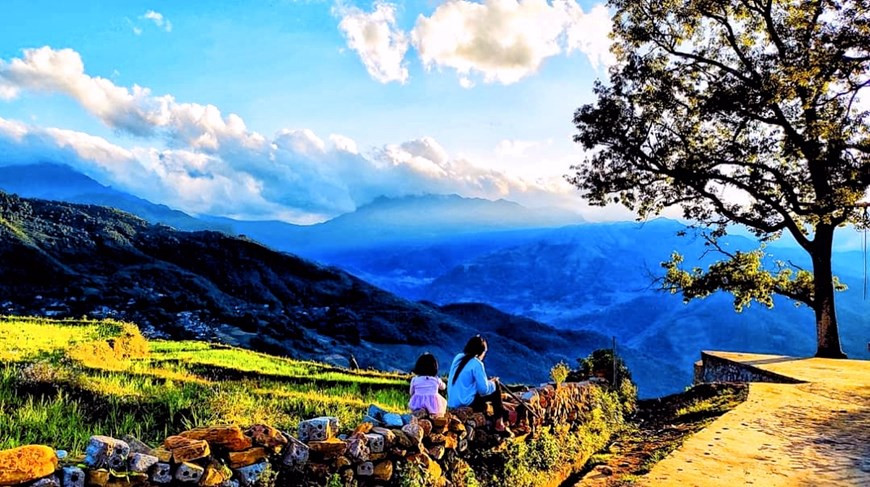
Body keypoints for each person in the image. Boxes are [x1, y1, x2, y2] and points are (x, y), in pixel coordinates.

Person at [447, 335, 510, 433]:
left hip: (453, 402)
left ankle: (498, 416)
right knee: (495, 386)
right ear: (481, 351)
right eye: (485, 352)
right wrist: (493, 382)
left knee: (488, 386)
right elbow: (483, 390)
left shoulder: (458, 357)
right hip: (466, 402)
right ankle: (499, 422)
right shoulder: (477, 363)